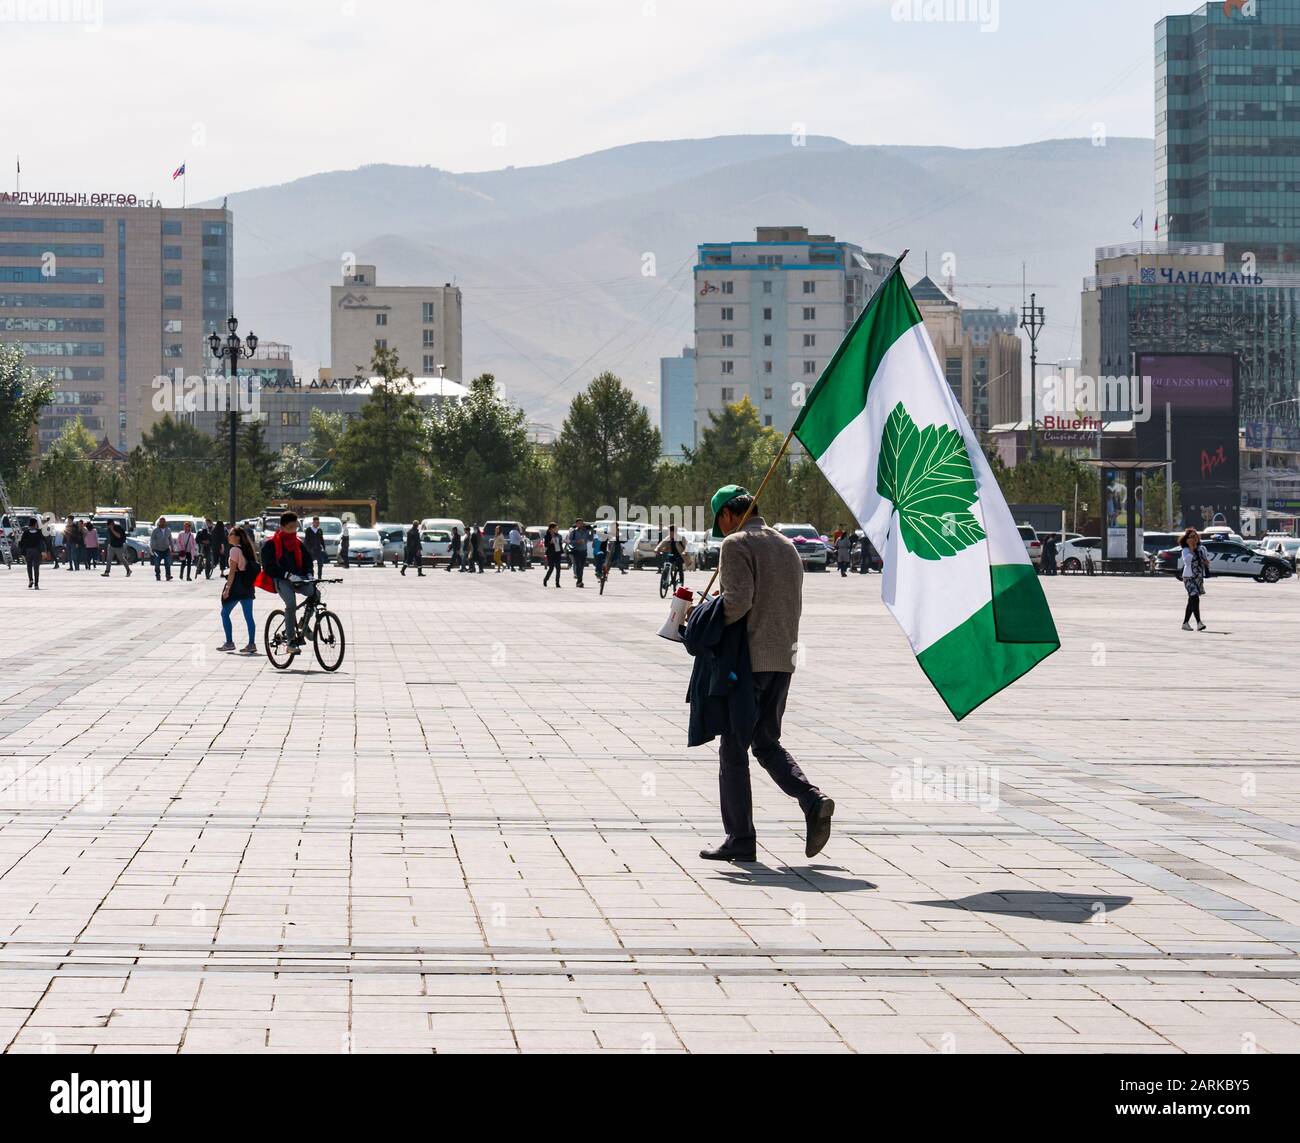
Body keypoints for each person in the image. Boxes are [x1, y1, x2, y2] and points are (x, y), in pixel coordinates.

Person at [698, 485, 834, 864]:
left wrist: (702, 618)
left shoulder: (737, 543)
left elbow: (738, 604)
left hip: (749, 663)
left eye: (720, 523)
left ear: (727, 514)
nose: (722, 532)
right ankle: (812, 800)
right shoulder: (786, 545)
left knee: (733, 748)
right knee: (766, 742)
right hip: (783, 659)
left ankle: (740, 837)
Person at [259, 511, 319, 653]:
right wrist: (287, 574)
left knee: (316, 594)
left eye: (295, 527)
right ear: (282, 527)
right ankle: (291, 642)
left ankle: (304, 622)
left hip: (299, 578)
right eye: (291, 527)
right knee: (291, 604)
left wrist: (309, 573)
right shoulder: (271, 544)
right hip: (281, 579)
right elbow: (269, 567)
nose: (293, 530)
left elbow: (307, 560)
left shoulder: (298, 543)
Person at [219, 525, 260, 655]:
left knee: (224, 613)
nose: (228, 536)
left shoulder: (234, 551)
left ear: (236, 537)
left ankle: (229, 642)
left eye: (231, 534)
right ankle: (251, 644)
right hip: (248, 586)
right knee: (249, 617)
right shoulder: (248, 550)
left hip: (237, 585)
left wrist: (227, 589)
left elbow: (232, 572)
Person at [1179, 527, 1210, 632]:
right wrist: (1192, 549)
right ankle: (1199, 622)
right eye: (1191, 537)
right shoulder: (1185, 550)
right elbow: (1187, 562)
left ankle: (1185, 623)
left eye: (1195, 536)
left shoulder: (1202, 549)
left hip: (1198, 578)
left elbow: (1205, 561)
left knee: (1192, 601)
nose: (1194, 538)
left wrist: (1206, 562)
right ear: (1187, 539)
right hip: (1188, 577)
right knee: (1194, 597)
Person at [18, 518, 43, 589]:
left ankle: (30, 580)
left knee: (29, 566)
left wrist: (22, 550)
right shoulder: (39, 532)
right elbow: (42, 541)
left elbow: (21, 542)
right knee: (36, 568)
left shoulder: (26, 532)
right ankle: (36, 584)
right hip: (37, 551)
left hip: (28, 551)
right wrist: (44, 551)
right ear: (35, 524)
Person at [568, 518, 592, 588]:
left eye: (581, 523)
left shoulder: (586, 531)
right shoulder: (573, 531)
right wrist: (577, 542)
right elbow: (570, 541)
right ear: (576, 524)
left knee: (581, 567)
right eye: (579, 523)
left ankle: (579, 580)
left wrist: (591, 531)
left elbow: (591, 539)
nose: (580, 524)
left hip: (584, 551)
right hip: (576, 551)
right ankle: (579, 581)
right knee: (578, 566)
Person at [150, 517, 173, 581]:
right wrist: (152, 548)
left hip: (166, 549)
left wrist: (172, 547)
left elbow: (170, 539)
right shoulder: (155, 531)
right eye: (161, 521)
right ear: (159, 523)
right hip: (157, 550)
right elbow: (152, 539)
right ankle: (158, 575)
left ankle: (168, 575)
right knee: (157, 564)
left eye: (163, 521)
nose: (162, 523)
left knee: (168, 562)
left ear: (165, 522)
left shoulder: (168, 530)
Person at [542, 522, 563, 588]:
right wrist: (550, 542)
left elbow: (560, 543)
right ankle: (545, 579)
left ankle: (557, 583)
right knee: (551, 568)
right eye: (555, 528)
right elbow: (546, 544)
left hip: (557, 553)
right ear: (551, 528)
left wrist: (562, 542)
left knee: (558, 568)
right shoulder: (547, 536)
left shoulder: (558, 535)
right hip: (550, 553)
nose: (556, 529)